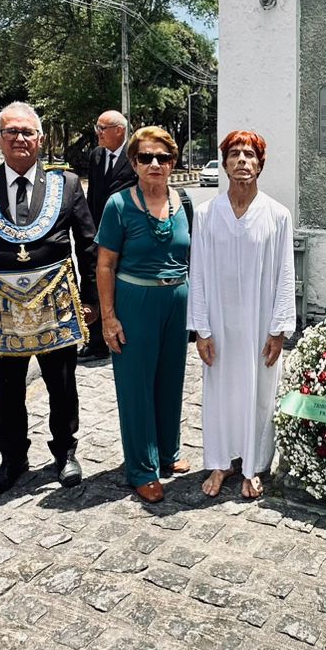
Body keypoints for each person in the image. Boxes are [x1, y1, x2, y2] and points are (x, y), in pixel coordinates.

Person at [0, 102, 97, 497]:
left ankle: (65, 453)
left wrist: (91, 300)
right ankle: (12, 459)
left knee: (61, 383)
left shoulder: (65, 184)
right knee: (8, 388)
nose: (19, 138)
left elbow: (87, 245)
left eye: (27, 132)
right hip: (3, 304)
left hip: (57, 302)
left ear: (40, 139)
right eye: (11, 131)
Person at [187, 130, 296, 499]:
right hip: (219, 324)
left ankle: (252, 465)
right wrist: (201, 329)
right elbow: (197, 273)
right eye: (235, 154)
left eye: (250, 155)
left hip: (259, 324)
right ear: (225, 163)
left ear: (260, 164)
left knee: (258, 393)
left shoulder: (277, 215)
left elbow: (285, 274)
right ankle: (221, 462)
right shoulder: (206, 214)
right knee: (219, 393)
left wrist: (278, 329)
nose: (242, 161)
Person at [96, 126, 192, 502]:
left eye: (163, 157)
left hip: (177, 301)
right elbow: (104, 265)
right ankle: (141, 468)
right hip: (135, 302)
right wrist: (108, 316)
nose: (155, 164)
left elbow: (192, 257)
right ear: (134, 162)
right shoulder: (118, 205)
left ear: (172, 162)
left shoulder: (184, 202)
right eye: (146, 157)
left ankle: (168, 453)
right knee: (136, 386)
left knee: (170, 379)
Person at [80, 110, 136, 360]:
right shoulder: (96, 156)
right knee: (93, 284)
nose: (98, 133)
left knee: (117, 285)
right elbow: (93, 194)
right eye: (97, 128)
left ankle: (122, 335)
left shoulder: (135, 155)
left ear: (119, 130)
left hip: (124, 236)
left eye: (103, 128)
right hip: (98, 234)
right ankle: (95, 343)